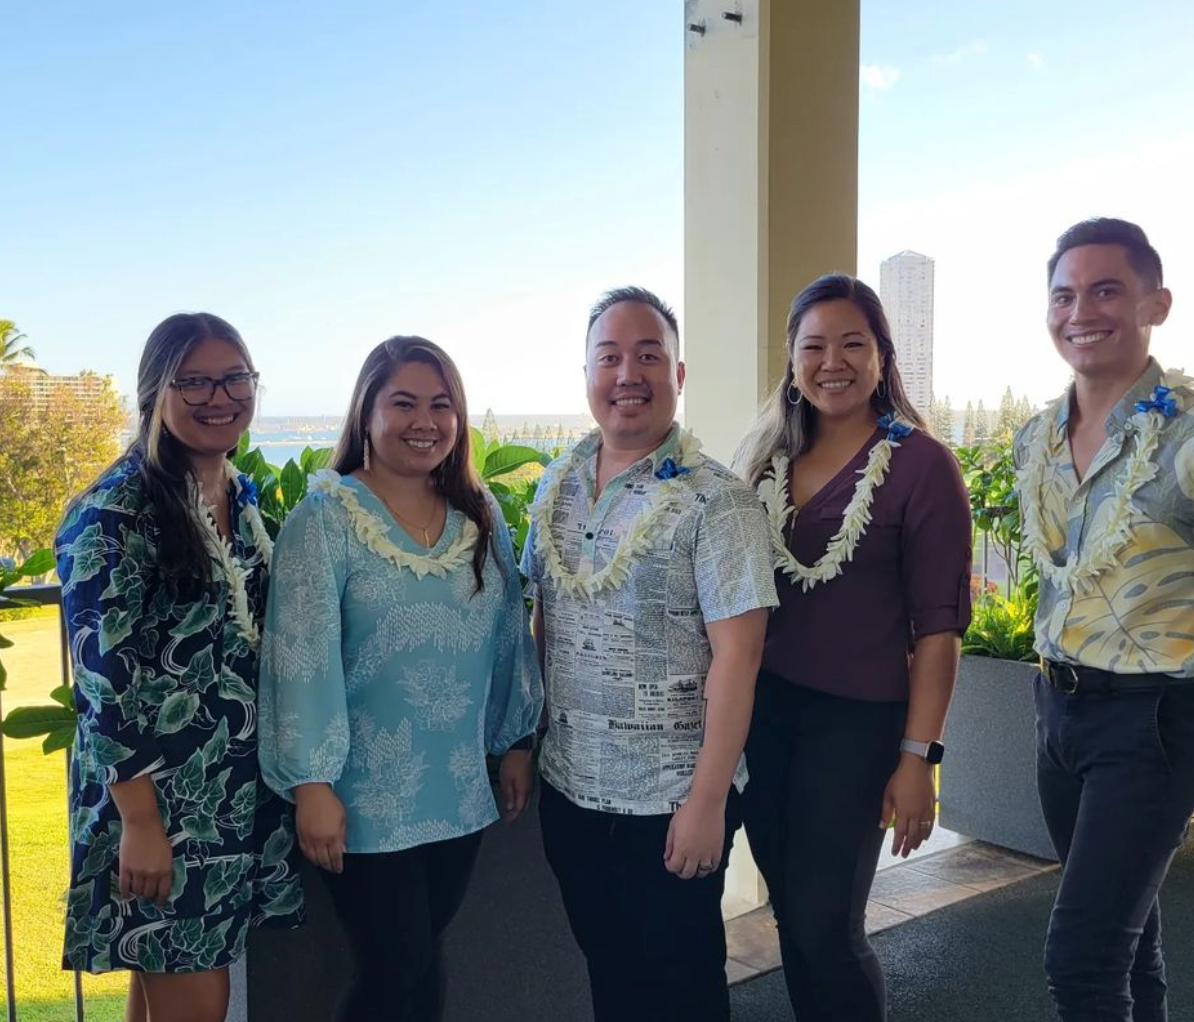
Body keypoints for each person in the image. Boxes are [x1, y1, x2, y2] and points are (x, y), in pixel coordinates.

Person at [1015, 217, 1194, 1021]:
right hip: (1056, 713)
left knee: (1082, 960)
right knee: (1128, 944)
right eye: (1064, 294)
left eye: (1106, 290)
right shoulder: (1037, 436)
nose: (1080, 311)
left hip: (1153, 718)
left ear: (1154, 303)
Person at [257, 336, 542, 1022]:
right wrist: (313, 784)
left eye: (441, 404)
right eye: (404, 402)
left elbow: (508, 632)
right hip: (361, 797)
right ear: (367, 412)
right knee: (392, 970)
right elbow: (301, 656)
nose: (425, 420)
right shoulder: (325, 519)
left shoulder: (480, 513)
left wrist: (517, 741)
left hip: (458, 786)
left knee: (424, 960)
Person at [521, 287, 778, 1022]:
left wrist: (707, 801)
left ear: (679, 373)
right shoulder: (556, 488)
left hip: (670, 802)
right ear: (587, 374)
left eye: (648, 355)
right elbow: (546, 620)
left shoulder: (717, 502)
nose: (627, 373)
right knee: (611, 978)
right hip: (570, 792)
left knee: (681, 990)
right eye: (610, 356)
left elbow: (741, 657)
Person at [735, 274, 972, 1021]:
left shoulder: (921, 465)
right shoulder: (768, 461)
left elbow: (940, 629)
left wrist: (917, 760)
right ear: (792, 362)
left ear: (881, 357)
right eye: (814, 346)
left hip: (858, 726)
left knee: (825, 926)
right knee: (794, 923)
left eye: (852, 343)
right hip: (765, 718)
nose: (831, 361)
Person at [56, 313, 303, 1022]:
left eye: (235, 378)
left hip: (227, 797)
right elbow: (104, 682)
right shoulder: (115, 511)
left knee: (165, 986)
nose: (219, 396)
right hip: (158, 806)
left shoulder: (241, 496)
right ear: (154, 391)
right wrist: (139, 821)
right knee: (198, 1000)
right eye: (194, 380)